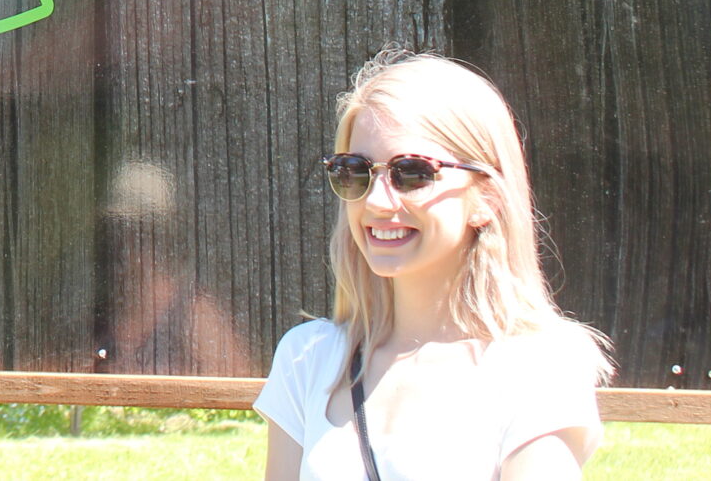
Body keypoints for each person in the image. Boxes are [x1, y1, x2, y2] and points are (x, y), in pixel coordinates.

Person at [256, 53, 612, 479]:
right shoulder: (308, 358)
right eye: (355, 171)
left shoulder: (537, 367)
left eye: (412, 173)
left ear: (487, 197)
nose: (376, 202)